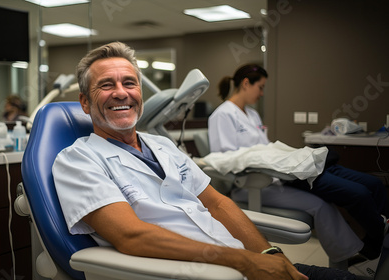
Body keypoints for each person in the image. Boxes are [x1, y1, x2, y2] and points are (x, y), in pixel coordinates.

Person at [52, 42, 357, 280]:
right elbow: (131, 236)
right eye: (106, 85)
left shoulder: (162, 145)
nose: (122, 93)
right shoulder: (78, 160)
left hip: (242, 263)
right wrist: (246, 261)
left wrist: (270, 253)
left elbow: (218, 204)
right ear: (84, 102)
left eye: (130, 83)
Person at [208, 64, 387, 262]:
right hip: (251, 183)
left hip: (275, 176)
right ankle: (355, 254)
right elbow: (224, 160)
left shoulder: (253, 114)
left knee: (370, 183)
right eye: (260, 87)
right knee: (326, 202)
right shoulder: (222, 115)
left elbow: (266, 148)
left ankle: (364, 247)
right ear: (245, 83)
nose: (262, 93)